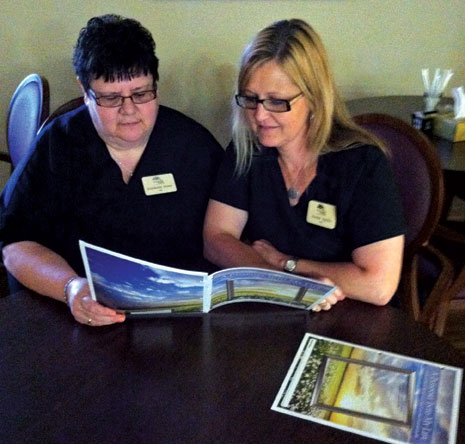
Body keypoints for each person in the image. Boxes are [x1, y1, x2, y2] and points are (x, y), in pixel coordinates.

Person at [0, 14, 223, 326]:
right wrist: (71, 289)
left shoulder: (193, 146)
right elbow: (15, 245)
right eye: (110, 98)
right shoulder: (59, 145)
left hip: (180, 324)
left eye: (142, 93)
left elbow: (227, 237)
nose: (129, 110)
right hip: (79, 318)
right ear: (84, 89)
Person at [203, 19, 405, 310]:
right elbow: (216, 239)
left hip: (350, 316)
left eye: (276, 102)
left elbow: (378, 285)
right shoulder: (247, 150)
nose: (259, 116)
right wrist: (281, 280)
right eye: (251, 99)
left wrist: (287, 263)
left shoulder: (362, 164)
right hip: (273, 305)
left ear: (314, 98)